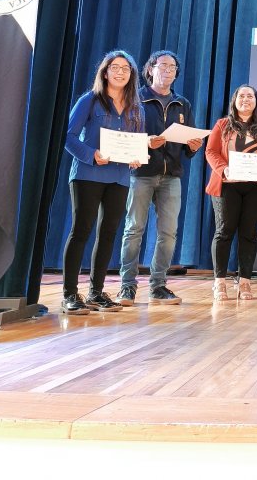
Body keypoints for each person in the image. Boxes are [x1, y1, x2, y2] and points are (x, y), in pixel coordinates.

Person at [60, 50, 145, 315]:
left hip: (120, 178)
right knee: (81, 231)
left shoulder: (136, 108)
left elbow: (138, 142)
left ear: (131, 75)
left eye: (126, 69)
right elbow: (69, 137)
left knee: (108, 234)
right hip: (88, 174)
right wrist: (91, 155)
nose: (120, 72)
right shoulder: (90, 100)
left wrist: (137, 158)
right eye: (115, 67)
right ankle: (70, 294)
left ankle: (96, 292)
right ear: (105, 72)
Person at [116, 51, 203, 307]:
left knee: (169, 233)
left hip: (171, 176)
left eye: (173, 67)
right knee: (134, 230)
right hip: (141, 173)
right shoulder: (136, 98)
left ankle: (158, 285)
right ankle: (127, 287)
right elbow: (123, 135)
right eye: (163, 65)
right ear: (150, 69)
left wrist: (195, 145)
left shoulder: (182, 103)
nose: (168, 70)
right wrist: (146, 142)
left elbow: (187, 149)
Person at [205, 84, 257, 301]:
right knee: (224, 231)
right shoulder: (222, 125)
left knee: (249, 234)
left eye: (250, 96)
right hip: (226, 185)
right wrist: (223, 169)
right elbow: (210, 151)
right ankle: (219, 282)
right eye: (242, 96)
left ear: (256, 101)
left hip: (256, 187)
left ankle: (245, 281)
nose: (246, 99)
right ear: (234, 100)